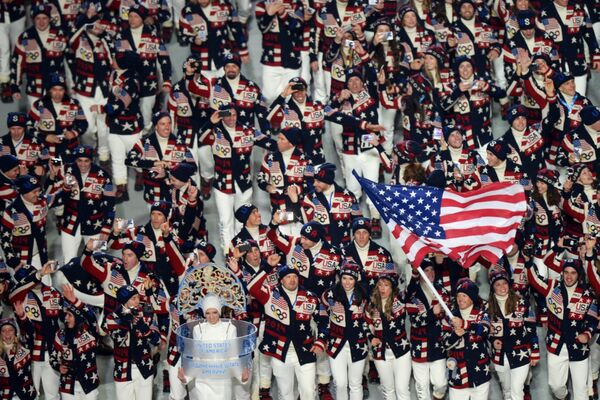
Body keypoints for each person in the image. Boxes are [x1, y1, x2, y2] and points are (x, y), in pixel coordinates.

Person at [247, 264, 328, 400]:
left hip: (305, 351)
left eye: (295, 276)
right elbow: (251, 287)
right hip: (280, 353)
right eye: (288, 277)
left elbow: (324, 320)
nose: (292, 280)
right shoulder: (270, 294)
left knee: (309, 391)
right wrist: (267, 267)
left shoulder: (310, 297)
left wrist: (321, 340)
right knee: (285, 394)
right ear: (281, 280)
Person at [527, 256, 598, 400]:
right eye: (566, 272)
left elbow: (592, 319)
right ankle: (564, 396)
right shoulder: (552, 287)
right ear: (562, 273)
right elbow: (534, 281)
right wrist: (528, 263)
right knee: (555, 385)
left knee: (581, 391)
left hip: (579, 346)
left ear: (578, 274)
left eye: (573, 273)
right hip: (556, 345)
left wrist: (587, 334)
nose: (569, 276)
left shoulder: (587, 294)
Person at [179, 294, 249, 400]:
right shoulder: (198, 329)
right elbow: (197, 358)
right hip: (203, 380)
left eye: (215, 312)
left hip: (223, 381)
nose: (211, 316)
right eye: (208, 313)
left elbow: (232, 357)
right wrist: (186, 378)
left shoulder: (230, 328)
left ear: (219, 312)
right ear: (204, 313)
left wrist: (241, 377)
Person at [487, 265, 539, 400]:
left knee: (517, 392)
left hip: (520, 352)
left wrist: (534, 351)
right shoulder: (487, 307)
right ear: (492, 287)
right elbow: (485, 331)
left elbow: (531, 328)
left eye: (504, 283)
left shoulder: (522, 302)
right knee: (507, 391)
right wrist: (493, 341)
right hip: (500, 355)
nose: (502, 287)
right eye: (497, 284)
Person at [321, 260, 370, 400]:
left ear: (356, 279)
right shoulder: (329, 294)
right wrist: (322, 335)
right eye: (344, 278)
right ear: (339, 277)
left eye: (351, 279)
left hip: (358, 343)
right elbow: (322, 313)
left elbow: (369, 317)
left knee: (355, 384)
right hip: (336, 343)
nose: (347, 282)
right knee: (340, 383)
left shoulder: (364, 294)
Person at [105, 285, 161, 400]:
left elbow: (157, 340)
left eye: (138, 297)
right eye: (133, 298)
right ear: (124, 301)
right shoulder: (112, 317)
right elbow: (119, 340)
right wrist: (127, 322)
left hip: (144, 367)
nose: (137, 301)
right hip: (123, 370)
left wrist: (144, 327)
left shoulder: (147, 311)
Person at [442, 278, 492, 400]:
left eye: (464, 295)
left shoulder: (482, 314)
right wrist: (455, 335)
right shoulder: (450, 317)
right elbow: (445, 344)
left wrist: (465, 325)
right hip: (458, 372)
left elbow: (484, 330)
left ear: (472, 297)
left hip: (479, 372)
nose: (460, 299)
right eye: (458, 295)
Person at [49, 285, 100, 400]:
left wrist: (75, 301)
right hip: (68, 386)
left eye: (70, 315)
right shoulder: (60, 335)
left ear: (78, 316)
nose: (66, 318)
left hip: (89, 383)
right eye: (65, 315)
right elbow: (53, 358)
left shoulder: (90, 331)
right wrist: (58, 366)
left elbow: (91, 316)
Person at [367, 272, 412, 400]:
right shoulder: (372, 304)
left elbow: (413, 287)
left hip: (401, 352)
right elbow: (364, 325)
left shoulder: (400, 300)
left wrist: (413, 272)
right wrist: (371, 338)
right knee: (388, 390)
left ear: (392, 288)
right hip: (381, 354)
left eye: (386, 285)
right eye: (380, 285)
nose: (382, 288)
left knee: (402, 389)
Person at [0, 317, 37, 399]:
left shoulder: (24, 347)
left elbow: (31, 332)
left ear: (15, 332)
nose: (7, 333)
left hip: (26, 395)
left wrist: (23, 317)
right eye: (3, 330)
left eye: (10, 330)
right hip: (6, 396)